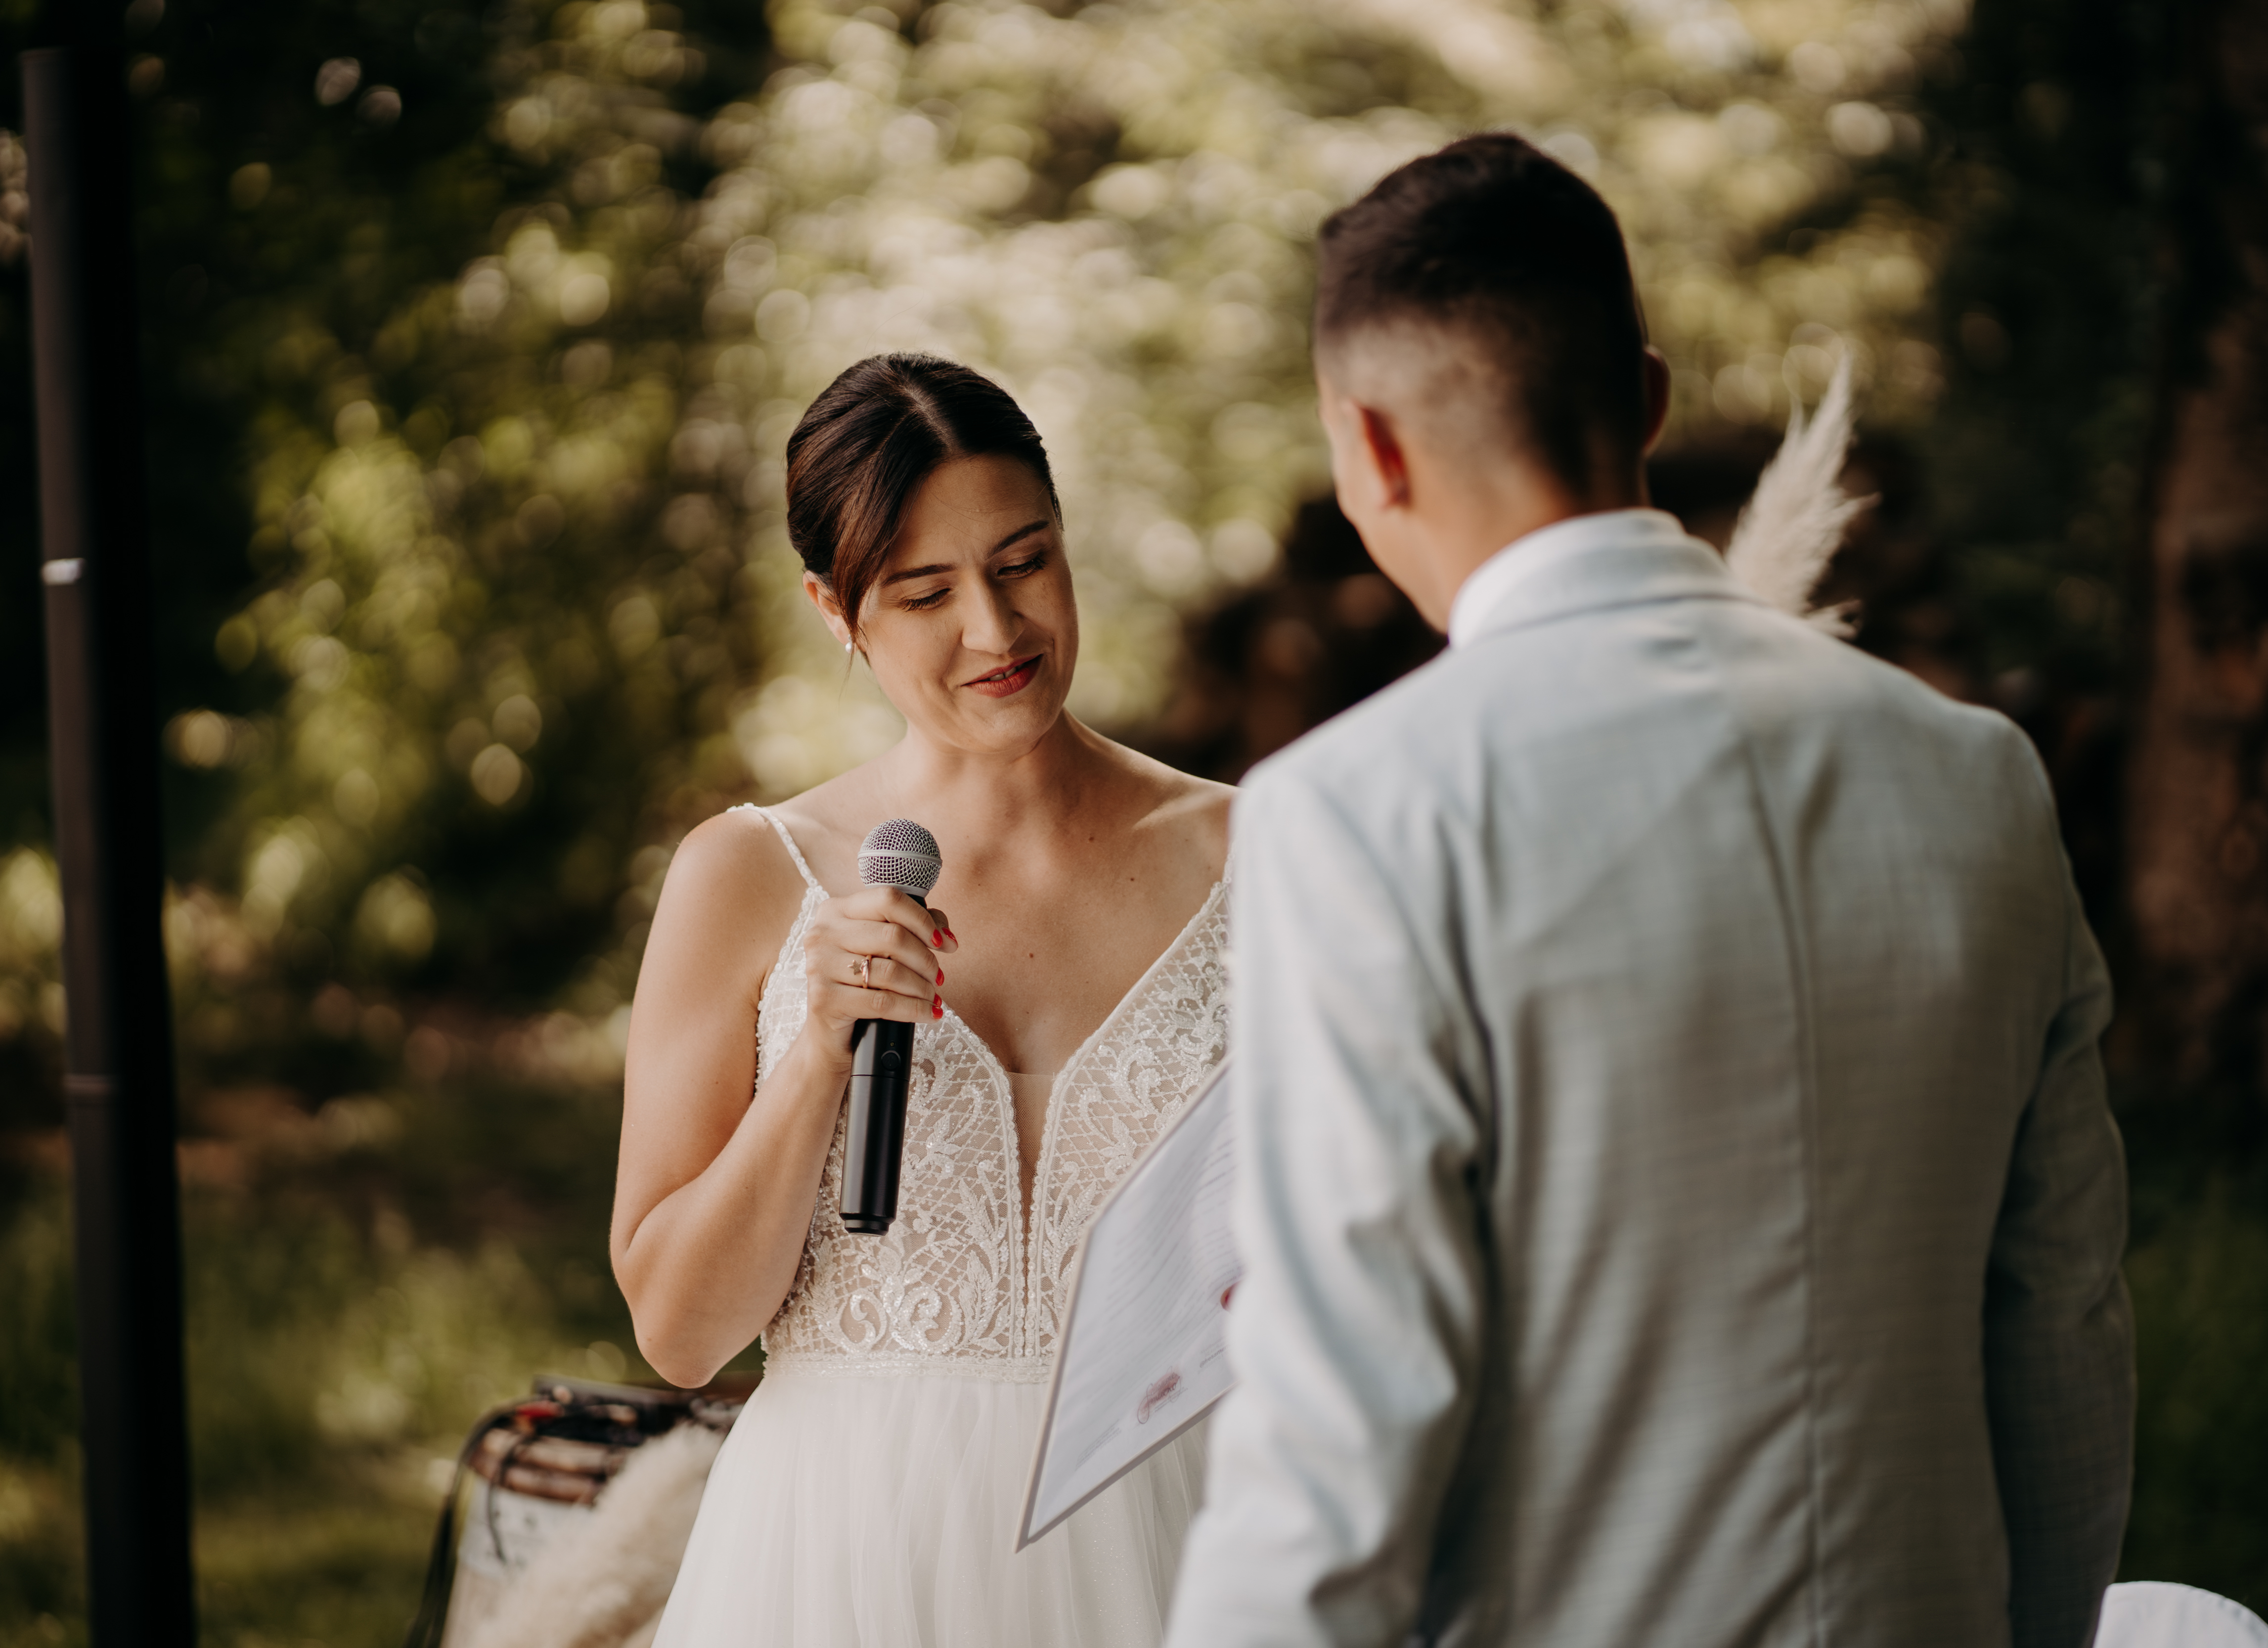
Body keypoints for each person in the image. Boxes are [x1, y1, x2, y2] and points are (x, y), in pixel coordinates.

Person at [1165, 135, 2135, 1648]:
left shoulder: (1357, 816)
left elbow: (1335, 1450)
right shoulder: (1979, 777)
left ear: (1371, 448)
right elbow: (2063, 1326)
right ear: (1653, 398)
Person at [613, 354, 1234, 1646]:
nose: (998, 634)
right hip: (842, 1559)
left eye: (1024, 563)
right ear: (838, 614)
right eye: (925, 592)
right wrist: (819, 1059)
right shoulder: (746, 876)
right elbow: (681, 1334)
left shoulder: (1255, 855)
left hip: (1179, 1537)